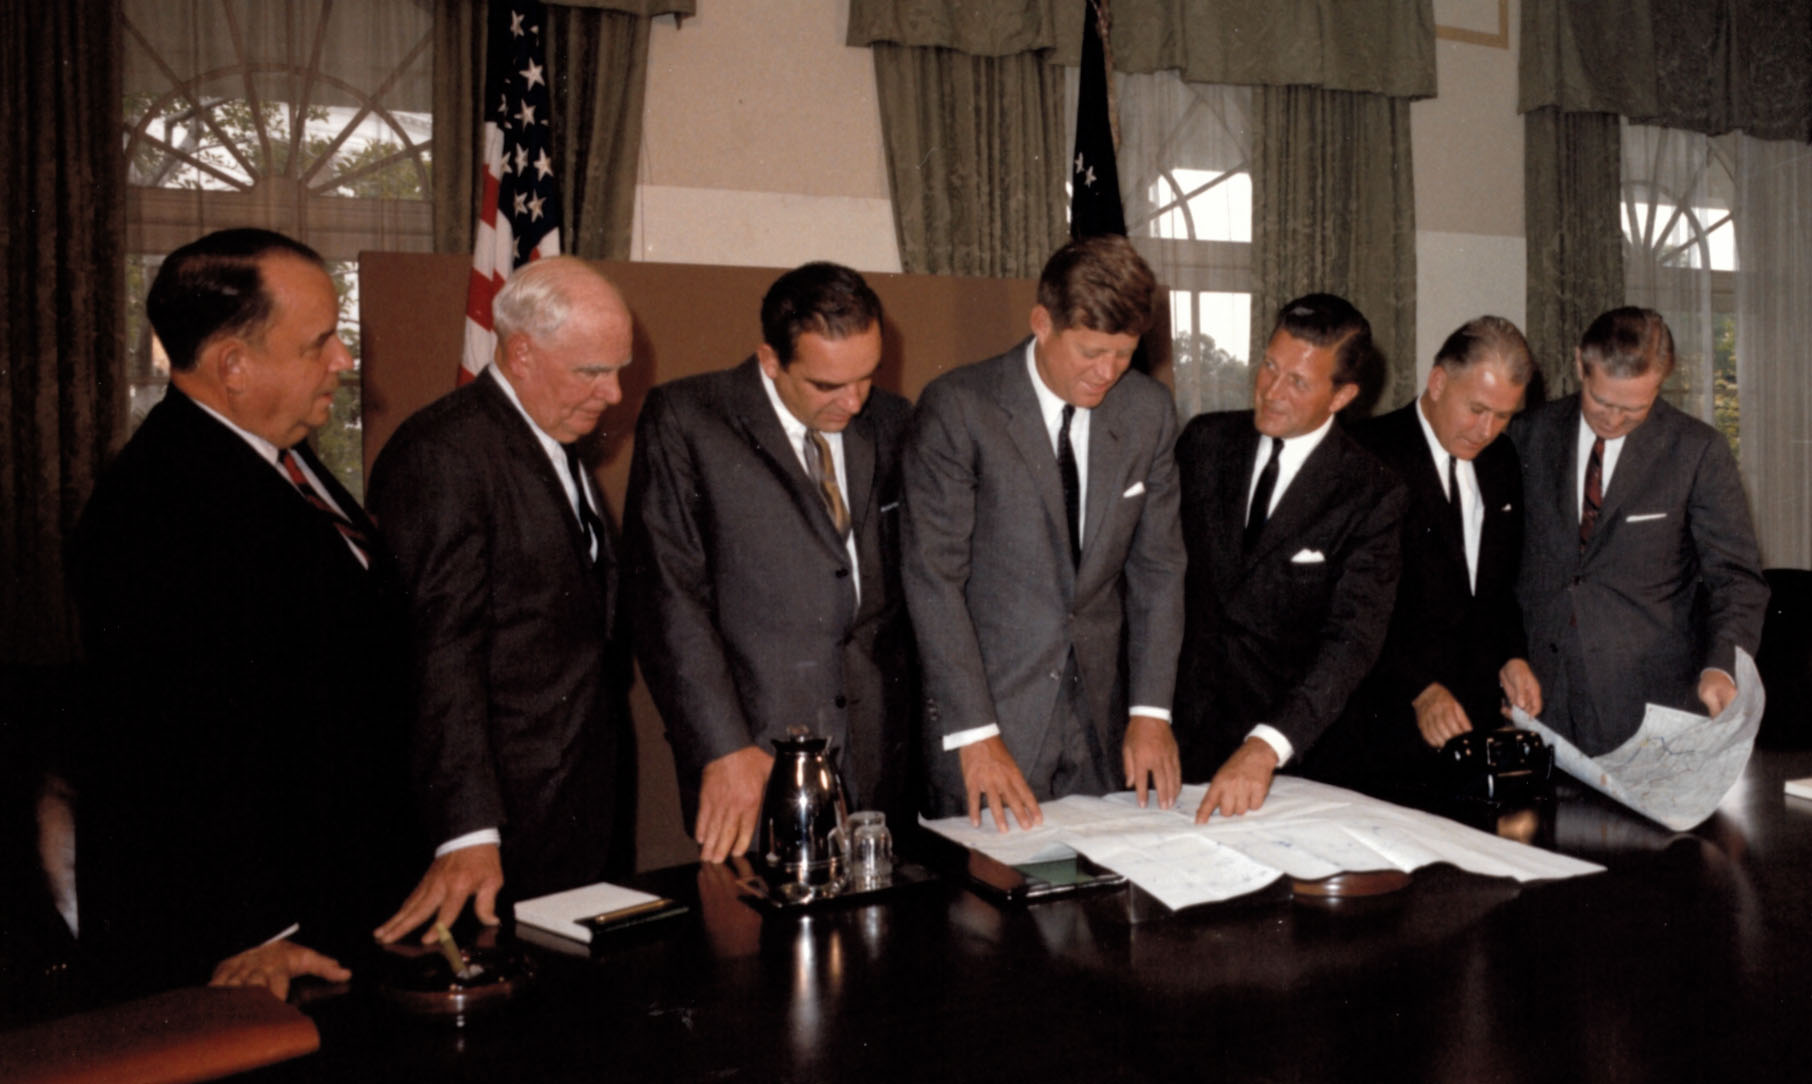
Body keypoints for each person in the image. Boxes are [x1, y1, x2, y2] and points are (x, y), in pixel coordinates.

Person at [73, 228, 420, 999]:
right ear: (234, 365)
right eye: (319, 343)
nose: (344, 360)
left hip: (340, 894)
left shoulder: (281, 457)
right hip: (259, 944)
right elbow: (175, 746)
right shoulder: (159, 505)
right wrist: (260, 931)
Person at [368, 257, 635, 942]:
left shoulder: (552, 433)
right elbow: (438, 651)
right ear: (521, 353)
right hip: (503, 821)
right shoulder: (444, 454)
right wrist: (467, 830)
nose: (613, 393)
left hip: (578, 799)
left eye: (619, 369)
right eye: (592, 372)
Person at [624, 262, 915, 863]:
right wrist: (722, 748)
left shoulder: (893, 419)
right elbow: (667, 601)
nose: (854, 401)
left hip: (878, 759)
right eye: (827, 386)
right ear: (770, 359)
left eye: (866, 376)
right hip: (755, 759)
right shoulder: (689, 419)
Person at [902, 235, 1187, 831]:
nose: (1106, 372)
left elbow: (1159, 570)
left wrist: (1151, 711)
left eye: (1123, 353)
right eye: (1090, 351)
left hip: (1103, 733)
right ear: (1041, 322)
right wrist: (976, 736)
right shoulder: (960, 407)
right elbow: (934, 580)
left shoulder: (1147, 411)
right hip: (991, 727)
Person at [1173, 293, 1407, 821]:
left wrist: (1265, 747)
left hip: (1292, 759)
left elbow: (1351, 642)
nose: (1271, 392)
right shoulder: (1204, 443)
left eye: (1297, 382)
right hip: (1180, 742)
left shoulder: (1372, 492)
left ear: (1342, 395)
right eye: (1269, 367)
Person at [1512, 307, 1767, 755]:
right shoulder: (1525, 434)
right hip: (1537, 695)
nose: (1612, 420)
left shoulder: (1697, 450)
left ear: (1661, 383)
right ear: (1579, 365)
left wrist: (1722, 666)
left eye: (1634, 409)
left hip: (1649, 702)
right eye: (1601, 401)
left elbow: (1735, 577)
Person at [1311, 316, 1543, 787]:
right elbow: (1340, 609)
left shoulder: (1501, 462)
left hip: (1470, 724)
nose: (1487, 430)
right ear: (1438, 381)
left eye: (1503, 416)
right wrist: (1417, 688)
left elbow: (1495, 588)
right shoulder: (1364, 455)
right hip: (1377, 725)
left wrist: (1513, 655)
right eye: (1477, 409)